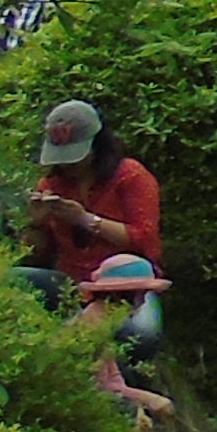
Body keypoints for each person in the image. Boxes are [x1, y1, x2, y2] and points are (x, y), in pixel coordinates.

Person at [71, 255, 217, 432]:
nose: (141, 303)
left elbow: (113, 379)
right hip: (77, 399)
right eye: (139, 295)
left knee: (130, 403)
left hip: (94, 392)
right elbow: (95, 387)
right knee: (120, 408)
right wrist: (148, 399)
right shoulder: (92, 328)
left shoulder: (106, 325)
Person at [23, 99, 164, 296]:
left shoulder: (131, 176)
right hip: (71, 281)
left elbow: (145, 241)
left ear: (97, 146)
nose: (66, 165)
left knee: (139, 328)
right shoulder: (51, 185)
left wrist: (85, 220)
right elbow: (36, 254)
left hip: (126, 283)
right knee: (18, 278)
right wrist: (36, 224)